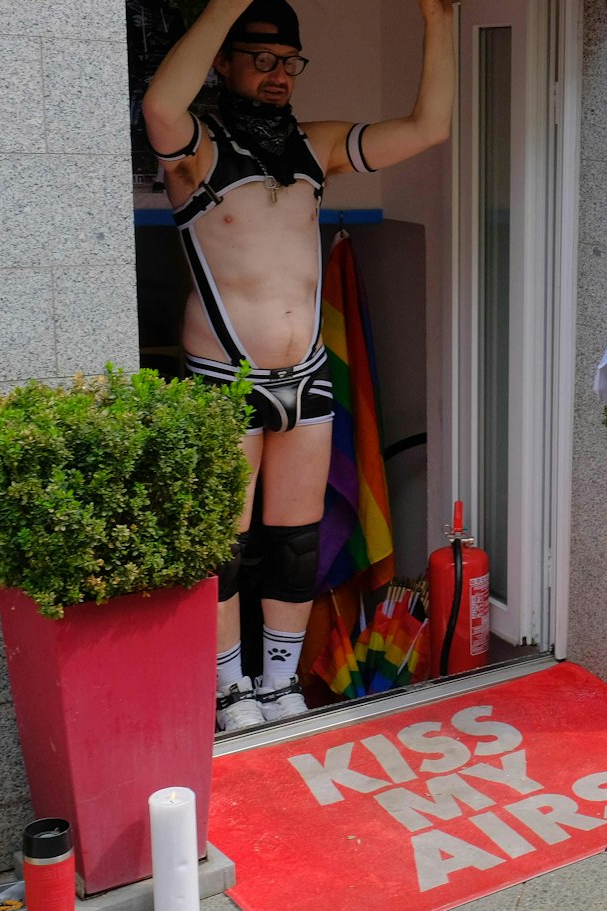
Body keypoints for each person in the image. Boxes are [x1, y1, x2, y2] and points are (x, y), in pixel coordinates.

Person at [142, 0, 454, 731]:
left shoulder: (313, 146)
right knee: (223, 546)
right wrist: (224, 5)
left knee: (294, 541)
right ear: (224, 60)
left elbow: (428, 128)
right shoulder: (197, 148)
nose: (279, 73)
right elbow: (160, 101)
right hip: (225, 378)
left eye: (290, 62)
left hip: (305, 374)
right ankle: (227, 695)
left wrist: (439, 21)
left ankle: (278, 687)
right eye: (261, 58)